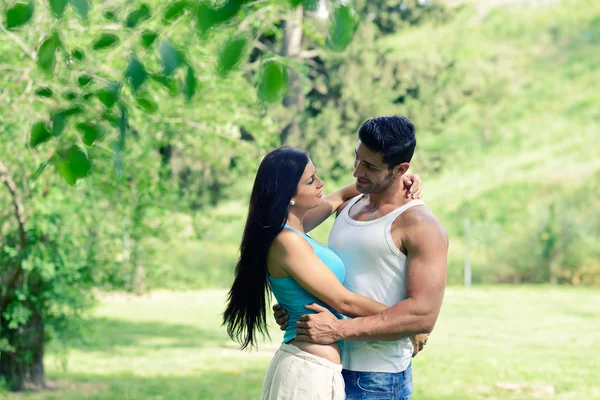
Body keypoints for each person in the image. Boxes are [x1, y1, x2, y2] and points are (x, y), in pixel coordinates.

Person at [222, 146, 423, 399]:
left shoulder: (296, 228)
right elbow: (343, 300)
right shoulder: (288, 241)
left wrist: (402, 178)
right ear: (288, 194)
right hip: (306, 373)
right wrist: (410, 322)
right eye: (310, 180)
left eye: (315, 174)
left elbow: (342, 194)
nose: (321, 182)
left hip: (317, 370)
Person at [273, 115, 449, 400]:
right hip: (323, 366)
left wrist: (338, 329)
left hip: (376, 378)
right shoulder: (346, 204)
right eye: (357, 159)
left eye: (370, 166)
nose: (357, 172)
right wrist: (293, 304)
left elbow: (422, 315)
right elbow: (291, 239)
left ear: (400, 169)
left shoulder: (420, 225)